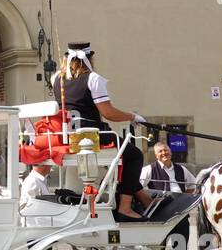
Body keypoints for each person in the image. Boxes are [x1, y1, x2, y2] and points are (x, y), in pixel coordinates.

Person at [50, 42, 150, 221]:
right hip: (90, 135)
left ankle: (145, 199)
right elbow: (108, 112)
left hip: (67, 135)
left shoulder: (57, 77)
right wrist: (132, 116)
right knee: (134, 155)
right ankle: (125, 207)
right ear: (88, 59)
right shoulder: (92, 78)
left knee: (125, 156)